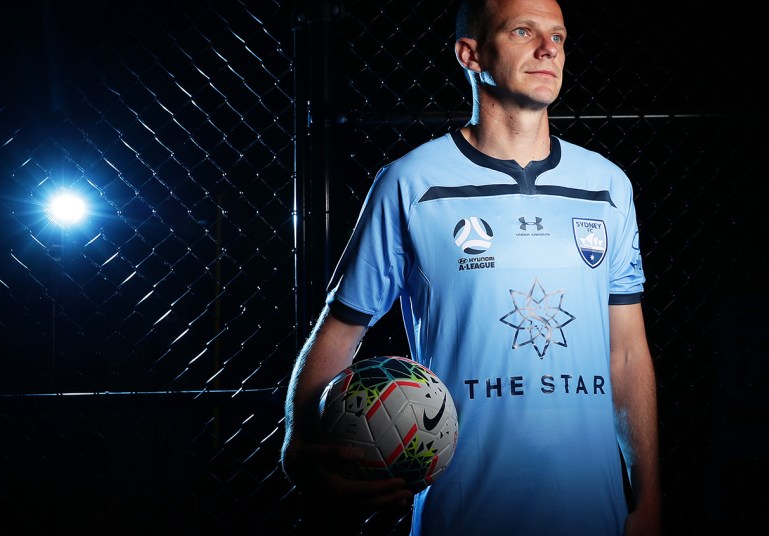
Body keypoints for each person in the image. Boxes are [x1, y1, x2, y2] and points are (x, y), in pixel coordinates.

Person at [281, 0, 662, 534]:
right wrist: (297, 447)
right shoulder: (411, 183)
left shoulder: (607, 186)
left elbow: (626, 353)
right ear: (471, 54)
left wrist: (648, 497)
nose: (548, 49)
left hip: (596, 515)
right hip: (465, 514)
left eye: (557, 36)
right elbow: (341, 328)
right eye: (523, 31)